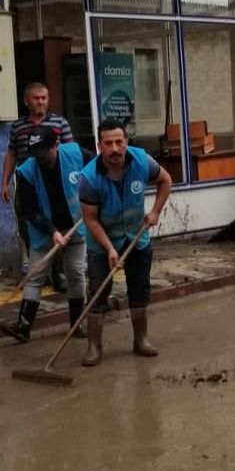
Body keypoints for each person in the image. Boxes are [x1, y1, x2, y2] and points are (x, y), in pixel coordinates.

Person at [77, 118, 172, 367]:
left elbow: (166, 181)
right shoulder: (88, 178)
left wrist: (155, 212)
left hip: (136, 237)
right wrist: (109, 248)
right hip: (101, 243)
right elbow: (90, 220)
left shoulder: (142, 161)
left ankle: (140, 340)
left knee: (139, 290)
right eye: (108, 143)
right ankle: (94, 347)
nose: (115, 149)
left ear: (126, 142)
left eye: (119, 142)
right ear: (100, 146)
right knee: (98, 293)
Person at [4, 127, 86, 342]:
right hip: (44, 231)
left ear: (55, 145)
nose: (38, 157)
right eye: (35, 153)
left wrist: (95, 202)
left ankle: (76, 324)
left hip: (76, 225)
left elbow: (98, 172)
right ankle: (23, 327)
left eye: (43, 152)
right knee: (34, 276)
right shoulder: (27, 171)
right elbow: (29, 209)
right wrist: (52, 231)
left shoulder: (76, 154)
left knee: (76, 273)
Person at [0, 82, 74, 291]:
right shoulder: (18, 126)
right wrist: (4, 182)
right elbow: (12, 154)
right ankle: (38, 271)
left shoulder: (60, 123)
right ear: (26, 101)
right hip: (27, 184)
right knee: (27, 227)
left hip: (54, 185)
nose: (41, 102)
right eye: (36, 98)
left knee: (56, 227)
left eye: (44, 98)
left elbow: (71, 153)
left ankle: (58, 273)